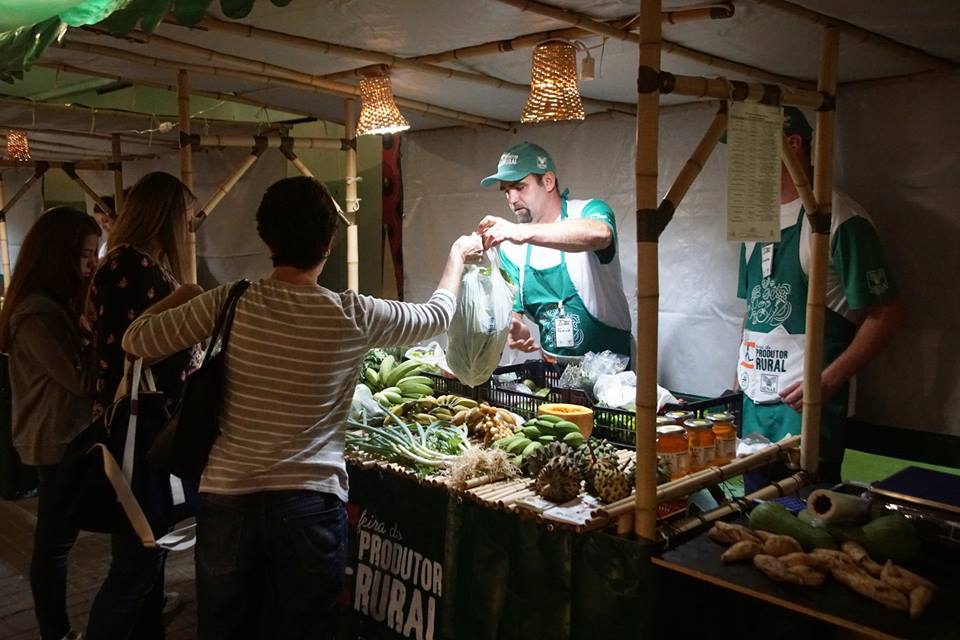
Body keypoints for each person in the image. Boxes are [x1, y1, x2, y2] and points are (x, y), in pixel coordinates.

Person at [121, 176, 483, 639]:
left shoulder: (230, 301)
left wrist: (184, 294)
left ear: (267, 238)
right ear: (329, 243)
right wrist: (455, 257)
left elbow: (137, 341)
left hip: (229, 500)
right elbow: (436, 316)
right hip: (310, 504)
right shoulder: (353, 314)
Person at [736, 107, 904, 488]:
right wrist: (737, 380)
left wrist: (827, 381)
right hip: (753, 411)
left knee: (802, 526)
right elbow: (753, 312)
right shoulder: (753, 221)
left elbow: (888, 313)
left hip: (807, 417)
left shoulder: (839, 218)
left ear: (793, 144)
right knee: (752, 524)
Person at [86, 171, 201, 640]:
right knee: (138, 555)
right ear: (165, 216)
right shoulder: (130, 266)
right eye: (186, 219)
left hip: (143, 425)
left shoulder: (127, 262)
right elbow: (135, 347)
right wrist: (190, 307)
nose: (189, 230)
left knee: (146, 550)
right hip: (141, 428)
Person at [0, 207, 101, 640]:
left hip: (63, 433)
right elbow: (79, 379)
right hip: (55, 437)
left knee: (57, 539)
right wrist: (103, 336)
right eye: (85, 255)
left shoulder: (52, 305)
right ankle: (56, 632)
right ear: (58, 255)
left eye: (95, 253)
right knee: (54, 544)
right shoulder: (38, 313)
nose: (92, 264)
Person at [476, 142, 632, 362]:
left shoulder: (588, 211)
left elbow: (601, 234)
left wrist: (524, 232)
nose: (512, 199)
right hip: (552, 372)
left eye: (520, 187)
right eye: (506, 191)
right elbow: (514, 306)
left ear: (548, 181)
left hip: (611, 373)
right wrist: (515, 325)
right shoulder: (511, 248)